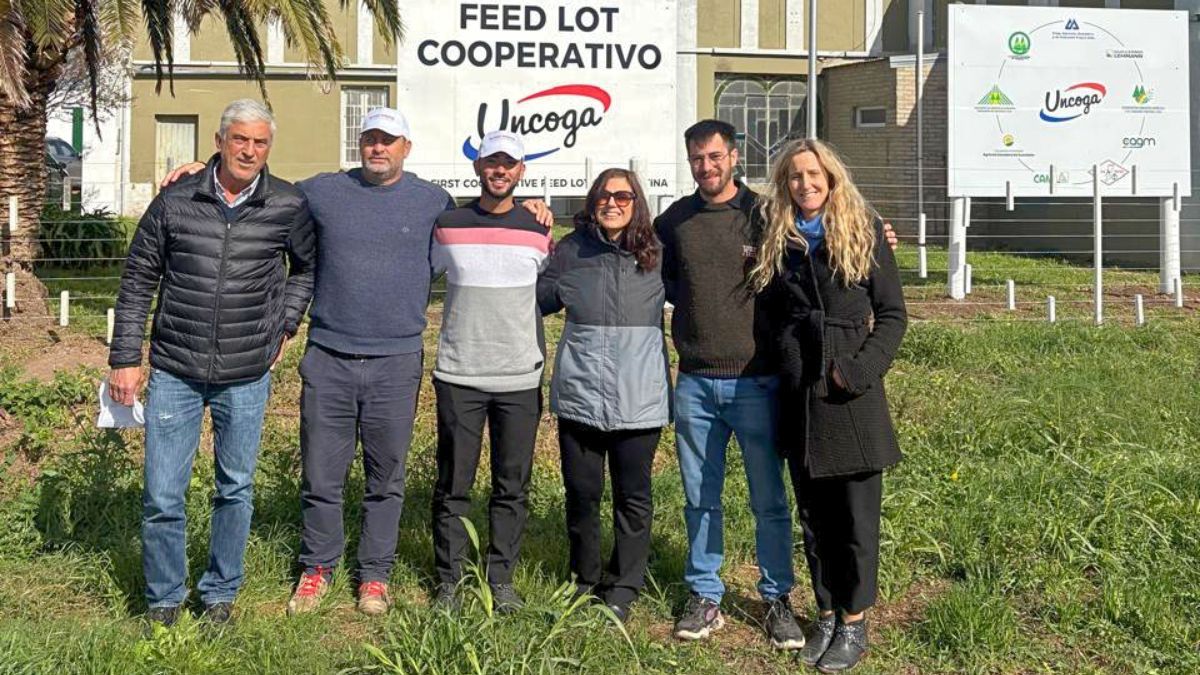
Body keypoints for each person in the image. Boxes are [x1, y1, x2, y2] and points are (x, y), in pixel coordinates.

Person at [161, 109, 552, 617]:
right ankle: (317, 568)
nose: (378, 148)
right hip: (329, 355)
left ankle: (375, 575)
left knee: (385, 479)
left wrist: (533, 205)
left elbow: (487, 218)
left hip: (397, 359)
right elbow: (260, 185)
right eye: (370, 138)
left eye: (389, 140)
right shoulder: (322, 192)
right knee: (321, 475)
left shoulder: (433, 202)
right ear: (359, 143)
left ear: (406, 148)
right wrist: (205, 166)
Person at [107, 99, 316, 627]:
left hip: (246, 373)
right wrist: (125, 358)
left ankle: (220, 594)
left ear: (269, 147)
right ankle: (164, 600)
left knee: (235, 488)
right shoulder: (176, 201)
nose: (249, 150)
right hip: (175, 368)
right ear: (220, 141)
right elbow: (138, 279)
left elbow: (306, 269)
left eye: (260, 142)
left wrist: (285, 325)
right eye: (240, 139)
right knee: (162, 494)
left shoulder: (287, 204)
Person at [749, 139, 907, 672]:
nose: (805, 184)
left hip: (849, 393)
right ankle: (825, 612)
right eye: (795, 176)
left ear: (832, 177)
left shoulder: (864, 230)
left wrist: (856, 370)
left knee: (855, 519)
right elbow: (769, 314)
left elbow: (893, 315)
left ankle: (854, 621)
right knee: (813, 517)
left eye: (814, 174)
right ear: (784, 184)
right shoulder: (778, 237)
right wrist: (788, 359)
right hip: (799, 393)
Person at [654, 119, 804, 649]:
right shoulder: (675, 220)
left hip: (756, 383)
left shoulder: (765, 214)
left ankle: (777, 597)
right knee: (700, 498)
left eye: (715, 157)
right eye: (697, 158)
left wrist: (879, 234)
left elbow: (818, 238)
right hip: (695, 383)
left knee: (769, 498)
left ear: (734, 157)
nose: (706, 167)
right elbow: (644, 260)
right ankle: (705, 594)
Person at [536, 168, 671, 623]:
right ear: (592, 201)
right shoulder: (571, 251)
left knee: (633, 496)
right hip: (581, 395)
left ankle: (625, 584)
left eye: (623, 196)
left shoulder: (659, 253)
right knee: (582, 493)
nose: (612, 203)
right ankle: (584, 579)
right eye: (604, 196)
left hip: (640, 398)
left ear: (637, 202)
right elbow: (536, 298)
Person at [429, 130, 551, 613]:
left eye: (509, 164)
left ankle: (501, 578)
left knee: (511, 487)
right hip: (459, 374)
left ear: (521, 171)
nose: (500, 171)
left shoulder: (539, 227)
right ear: (478, 168)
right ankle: (449, 581)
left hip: (519, 377)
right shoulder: (447, 225)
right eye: (491, 163)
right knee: (453, 485)